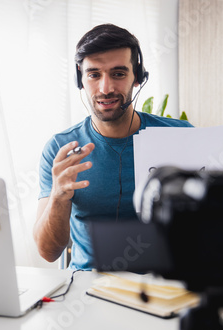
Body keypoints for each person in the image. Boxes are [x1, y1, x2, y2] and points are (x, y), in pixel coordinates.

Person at [33, 24, 193, 270]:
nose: (105, 88)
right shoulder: (61, 149)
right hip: (86, 289)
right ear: (80, 78)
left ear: (137, 77)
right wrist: (59, 196)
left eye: (118, 74)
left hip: (162, 287)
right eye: (94, 74)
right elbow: (48, 252)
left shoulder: (181, 137)